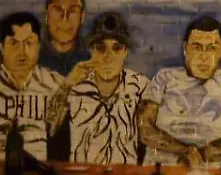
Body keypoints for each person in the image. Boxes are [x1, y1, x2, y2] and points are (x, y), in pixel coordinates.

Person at [139, 16, 221, 168]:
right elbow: (145, 128)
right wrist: (184, 151)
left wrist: (201, 156)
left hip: (208, 173)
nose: (204, 57)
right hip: (157, 170)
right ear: (185, 48)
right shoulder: (164, 78)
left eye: (211, 48)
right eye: (197, 47)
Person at [47, 12, 150, 165]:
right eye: (101, 48)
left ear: (125, 52)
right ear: (91, 50)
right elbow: (50, 129)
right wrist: (67, 86)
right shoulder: (75, 86)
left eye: (117, 48)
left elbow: (150, 136)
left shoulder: (139, 86)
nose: (108, 56)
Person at [0, 12, 64, 161]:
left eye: (28, 43)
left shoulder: (55, 84)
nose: (22, 52)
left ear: (38, 47)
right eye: (14, 43)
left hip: (37, 168)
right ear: (2, 48)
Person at [38, 0, 91, 162]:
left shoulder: (93, 62)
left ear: (82, 17)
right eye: (58, 10)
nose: (65, 19)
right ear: (47, 15)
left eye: (72, 11)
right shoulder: (30, 61)